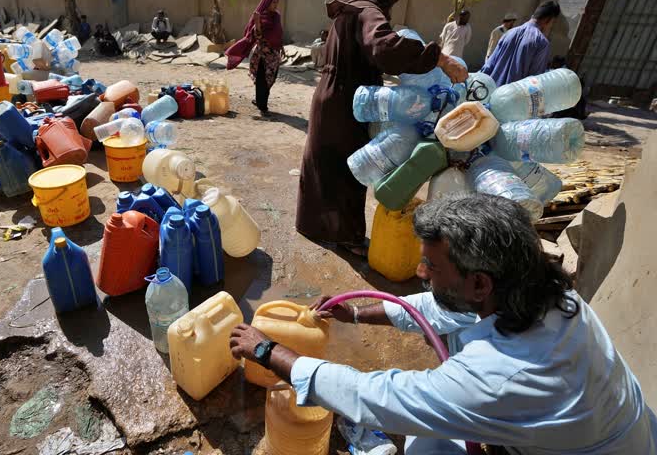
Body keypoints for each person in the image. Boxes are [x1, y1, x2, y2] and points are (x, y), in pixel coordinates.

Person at [231, 193, 657, 454]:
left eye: (431, 265)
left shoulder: (498, 377)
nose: (419, 271)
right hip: (620, 433)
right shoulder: (550, 294)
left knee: (425, 441)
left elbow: (373, 397)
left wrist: (269, 351)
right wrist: (358, 312)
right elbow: (442, 308)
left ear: (478, 283)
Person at [295, 0, 466, 256]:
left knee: (323, 162)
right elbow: (385, 47)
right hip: (350, 99)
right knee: (352, 166)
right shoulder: (368, 11)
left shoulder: (350, 6)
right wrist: (440, 59)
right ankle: (347, 237)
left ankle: (313, 225)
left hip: (329, 93)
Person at [225, 0, 284, 115]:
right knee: (263, 80)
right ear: (267, 3)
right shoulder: (259, 16)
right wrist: (257, 23)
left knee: (270, 79)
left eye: (277, 2)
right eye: (273, 2)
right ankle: (263, 106)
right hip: (263, 54)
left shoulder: (276, 16)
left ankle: (259, 101)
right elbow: (256, 36)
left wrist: (281, 46)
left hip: (274, 55)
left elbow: (278, 33)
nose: (276, 5)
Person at [481, 1, 561, 86]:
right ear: (548, 20)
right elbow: (534, 81)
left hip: (491, 93)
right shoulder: (542, 43)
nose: (550, 26)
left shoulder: (508, 33)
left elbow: (488, 67)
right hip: (514, 97)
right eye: (552, 23)